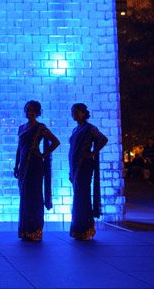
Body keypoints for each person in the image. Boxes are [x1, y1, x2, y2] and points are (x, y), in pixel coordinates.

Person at [14, 101, 60, 241]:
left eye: (33, 110)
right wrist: (16, 165)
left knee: (35, 197)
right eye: (28, 110)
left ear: (38, 112)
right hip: (23, 165)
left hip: (35, 165)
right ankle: (25, 230)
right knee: (25, 197)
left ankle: (35, 230)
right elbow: (19, 148)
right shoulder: (21, 127)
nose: (30, 113)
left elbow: (56, 142)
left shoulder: (41, 127)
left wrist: (43, 154)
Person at [68, 103, 108, 241]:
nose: (75, 114)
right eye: (73, 111)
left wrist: (92, 153)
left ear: (84, 113)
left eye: (77, 111)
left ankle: (85, 229)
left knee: (83, 197)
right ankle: (79, 229)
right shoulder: (75, 129)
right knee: (78, 197)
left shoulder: (90, 128)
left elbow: (103, 139)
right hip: (75, 167)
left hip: (84, 166)